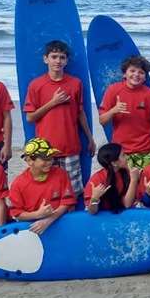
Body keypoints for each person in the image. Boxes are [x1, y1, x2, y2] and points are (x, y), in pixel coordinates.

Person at [23, 39, 96, 198]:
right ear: (46, 59)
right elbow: (30, 117)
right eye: (54, 56)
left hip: (70, 147)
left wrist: (90, 138)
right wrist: (53, 103)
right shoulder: (36, 85)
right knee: (48, 191)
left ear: (66, 60)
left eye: (62, 57)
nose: (58, 61)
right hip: (45, 150)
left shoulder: (75, 83)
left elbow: (80, 113)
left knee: (72, 192)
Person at [98, 55, 150, 169]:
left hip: (145, 150)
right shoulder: (113, 90)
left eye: (141, 72)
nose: (136, 74)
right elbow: (102, 121)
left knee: (144, 184)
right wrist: (114, 110)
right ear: (124, 74)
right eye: (132, 71)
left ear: (145, 77)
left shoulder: (149, 94)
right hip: (121, 151)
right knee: (124, 185)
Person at [7, 137, 75, 235]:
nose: (50, 162)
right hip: (32, 229)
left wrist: (48, 220)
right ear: (30, 161)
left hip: (58, 223)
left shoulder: (61, 174)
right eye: (45, 159)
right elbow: (17, 214)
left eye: (51, 157)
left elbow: (67, 202)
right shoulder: (18, 184)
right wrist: (37, 214)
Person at [84, 143, 141, 214]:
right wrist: (94, 198)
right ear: (114, 163)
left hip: (118, 214)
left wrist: (134, 180)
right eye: (123, 155)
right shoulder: (97, 179)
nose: (127, 157)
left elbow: (127, 204)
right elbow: (91, 212)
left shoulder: (125, 172)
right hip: (101, 217)